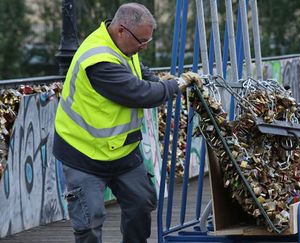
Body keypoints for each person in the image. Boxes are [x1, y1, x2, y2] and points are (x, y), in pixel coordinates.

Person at [53, 3, 201, 243]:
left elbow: (139, 71)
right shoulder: (99, 60)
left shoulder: (122, 46)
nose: (144, 47)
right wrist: (176, 85)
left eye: (148, 42)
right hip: (83, 152)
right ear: (122, 30)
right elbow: (140, 93)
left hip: (122, 151)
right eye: (142, 41)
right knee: (90, 221)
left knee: (141, 204)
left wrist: (156, 78)